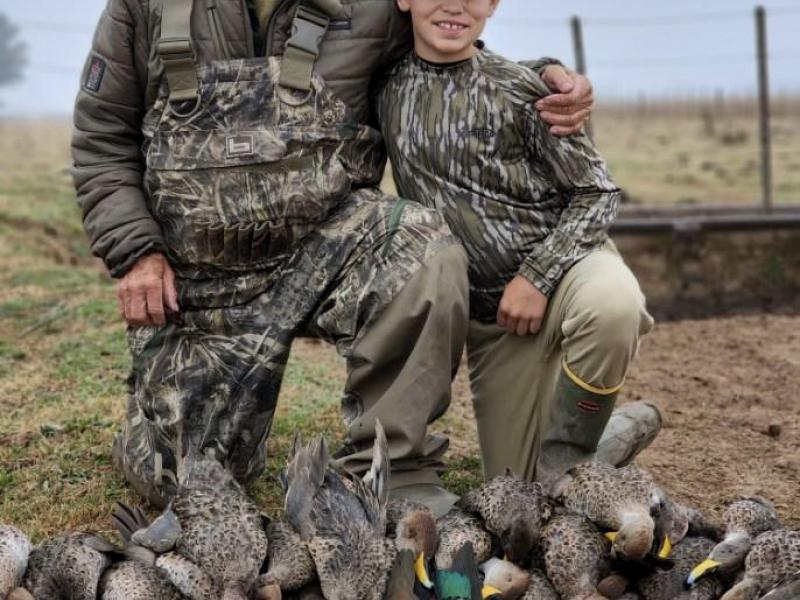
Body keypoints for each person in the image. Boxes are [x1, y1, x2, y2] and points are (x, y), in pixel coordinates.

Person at [72, 0, 593, 514]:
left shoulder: (372, 7)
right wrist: (137, 252)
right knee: (186, 487)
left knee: (421, 245)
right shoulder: (142, 8)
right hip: (200, 278)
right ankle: (160, 424)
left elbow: (447, 57)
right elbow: (102, 139)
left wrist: (540, 76)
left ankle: (394, 467)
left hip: (326, 250)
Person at [377, 0, 656, 489]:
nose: (454, 5)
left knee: (615, 306)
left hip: (568, 271)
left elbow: (598, 191)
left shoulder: (522, 91)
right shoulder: (382, 87)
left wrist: (537, 276)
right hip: (497, 325)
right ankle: (610, 438)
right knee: (518, 491)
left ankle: (571, 461)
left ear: (492, 5)